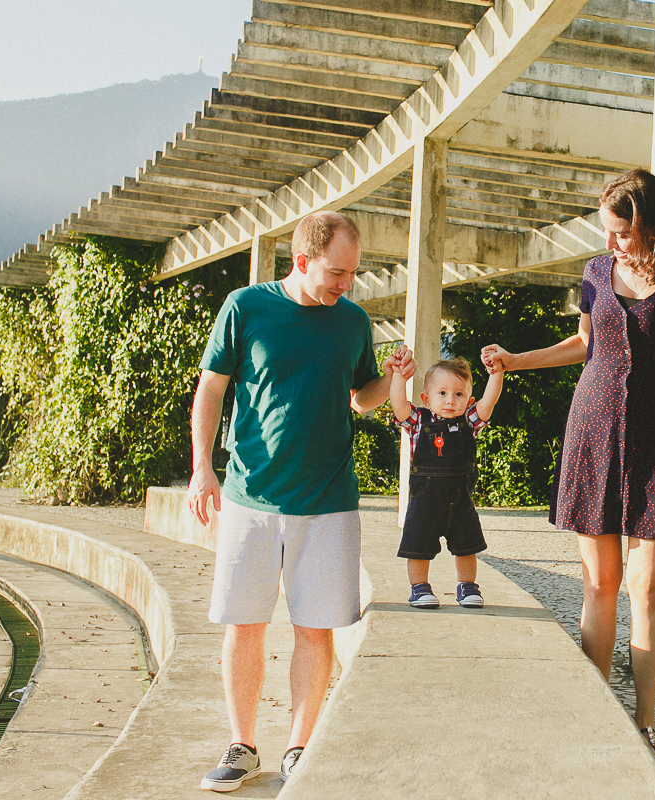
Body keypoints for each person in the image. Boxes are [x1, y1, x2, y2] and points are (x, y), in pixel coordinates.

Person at [481, 169, 655, 765]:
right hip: (592, 429)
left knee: (648, 588)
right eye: (608, 232)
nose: (611, 243)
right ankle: (595, 719)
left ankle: (643, 726)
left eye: (621, 233)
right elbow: (583, 345)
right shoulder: (594, 273)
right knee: (598, 586)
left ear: (650, 225)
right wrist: (515, 361)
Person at [187, 210, 404, 792]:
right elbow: (211, 387)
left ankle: (299, 750)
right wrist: (201, 468)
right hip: (249, 497)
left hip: (329, 501)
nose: (346, 284)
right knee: (244, 624)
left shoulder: (353, 322)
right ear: (302, 261)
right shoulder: (245, 307)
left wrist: (395, 379)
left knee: (315, 629)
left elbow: (361, 400)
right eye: (337, 272)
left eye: (353, 274)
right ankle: (242, 746)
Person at [388, 356, 504, 609]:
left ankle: (467, 586)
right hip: (425, 500)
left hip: (460, 500)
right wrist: (398, 376)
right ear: (426, 398)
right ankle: (419, 588)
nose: (451, 400)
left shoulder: (470, 422)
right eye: (442, 393)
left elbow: (489, 402)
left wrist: (496, 374)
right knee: (418, 546)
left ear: (469, 400)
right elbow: (398, 406)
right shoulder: (419, 421)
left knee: (467, 546)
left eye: (459, 394)